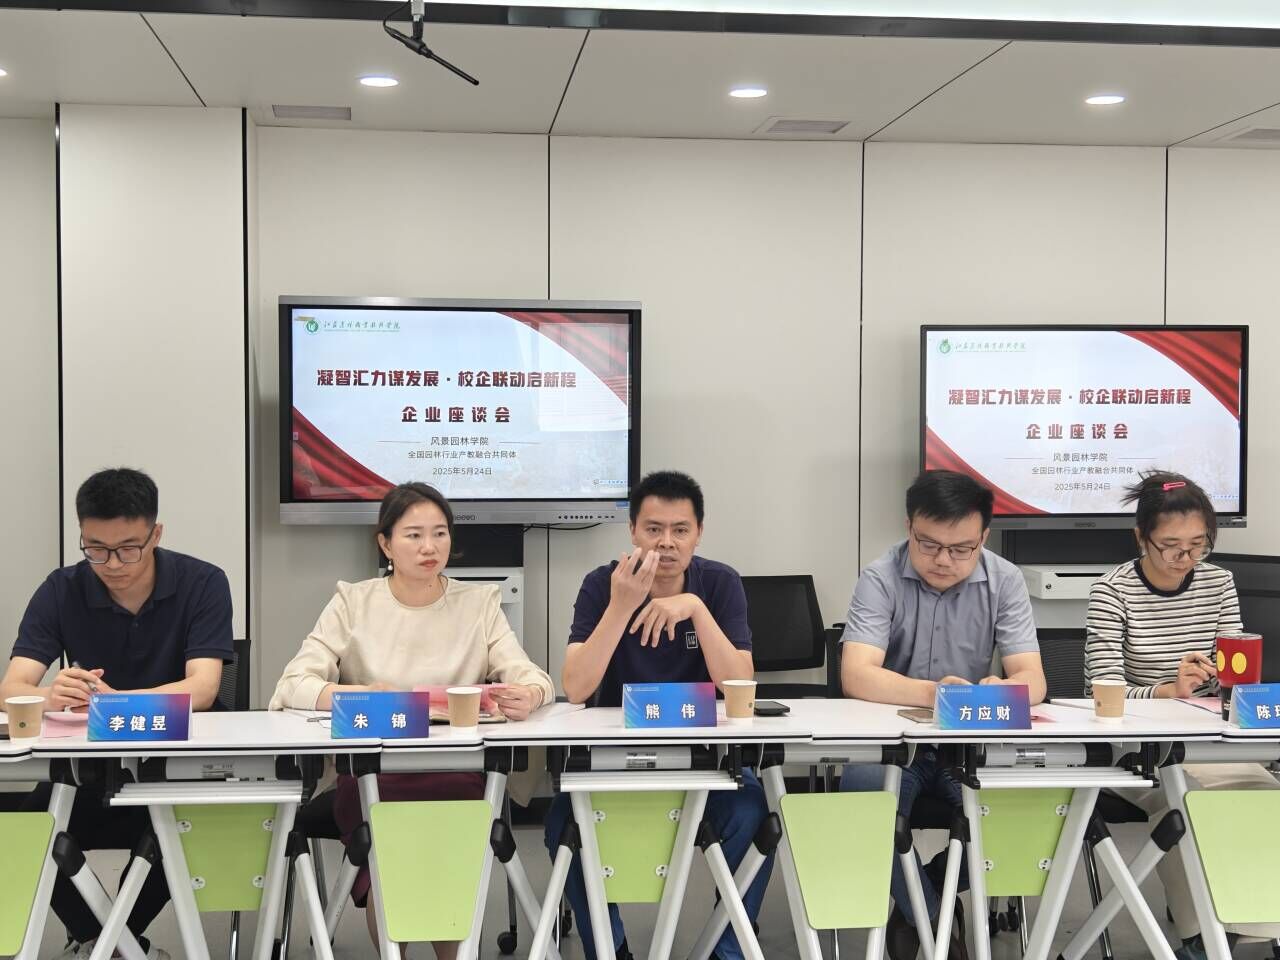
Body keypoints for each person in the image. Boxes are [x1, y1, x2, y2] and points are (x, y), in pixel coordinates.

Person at [269, 481, 554, 960]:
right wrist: (366, 696)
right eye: (414, 535)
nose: (429, 547)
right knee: (388, 844)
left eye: (440, 533)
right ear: (385, 543)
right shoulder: (353, 602)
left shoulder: (477, 604)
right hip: (372, 774)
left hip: (457, 772)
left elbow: (533, 678)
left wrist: (529, 695)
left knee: (450, 843)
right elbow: (292, 685)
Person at [1, 468, 234, 960]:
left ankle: (109, 944)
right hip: (87, 774)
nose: (112, 564)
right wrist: (50, 694)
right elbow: (12, 690)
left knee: (192, 832)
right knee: (23, 832)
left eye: (128, 548)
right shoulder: (62, 589)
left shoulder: (203, 582)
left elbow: (204, 687)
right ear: (82, 536)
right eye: (96, 549)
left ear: (156, 534)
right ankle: (108, 944)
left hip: (175, 769)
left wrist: (116, 704)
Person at [545, 470, 771, 960]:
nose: (666, 543)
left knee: (751, 813)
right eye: (653, 529)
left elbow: (739, 687)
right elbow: (576, 687)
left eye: (680, 530)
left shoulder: (719, 583)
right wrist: (621, 606)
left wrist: (696, 610)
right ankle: (611, 948)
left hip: (704, 760)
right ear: (632, 531)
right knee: (563, 822)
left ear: (699, 533)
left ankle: (727, 949)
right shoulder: (602, 584)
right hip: (614, 761)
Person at [840, 469, 1046, 960]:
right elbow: (856, 675)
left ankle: (925, 890)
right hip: (894, 742)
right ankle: (936, 923)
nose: (943, 560)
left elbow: (1033, 680)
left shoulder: (1004, 580)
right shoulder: (880, 577)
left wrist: (1002, 689)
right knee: (860, 804)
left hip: (969, 744)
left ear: (984, 538)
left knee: (1025, 818)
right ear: (909, 527)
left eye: (961, 549)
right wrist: (938, 695)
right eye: (928, 544)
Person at [1085, 470, 1280, 959]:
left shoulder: (1218, 582)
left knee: (1264, 797)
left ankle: (1256, 927)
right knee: (1188, 804)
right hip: (1140, 748)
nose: (1185, 559)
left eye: (1198, 545)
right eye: (1170, 546)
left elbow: (1235, 673)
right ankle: (1202, 937)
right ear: (1141, 537)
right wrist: (1166, 690)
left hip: (1213, 740)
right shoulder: (1111, 591)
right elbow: (1101, 694)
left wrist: (1218, 675)